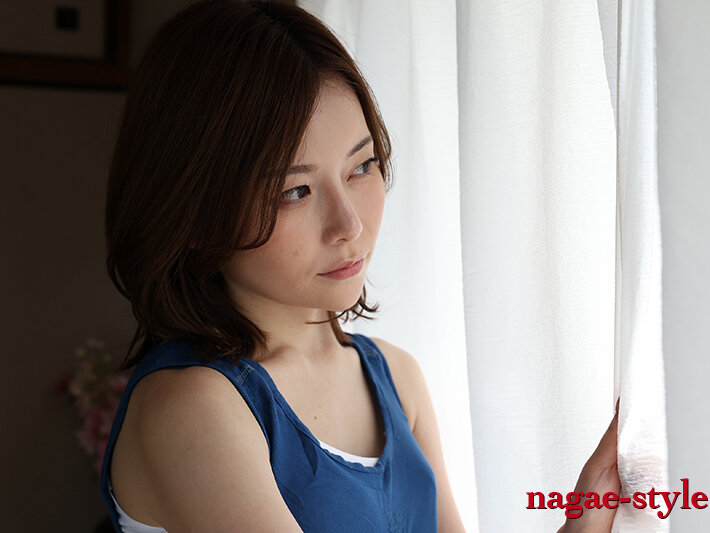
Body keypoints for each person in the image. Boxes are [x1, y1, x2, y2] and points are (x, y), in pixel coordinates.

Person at [100, 1, 620, 532]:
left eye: (361, 166)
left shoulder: (396, 377)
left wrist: (586, 515)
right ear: (194, 215)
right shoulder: (193, 404)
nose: (348, 224)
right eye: (294, 191)